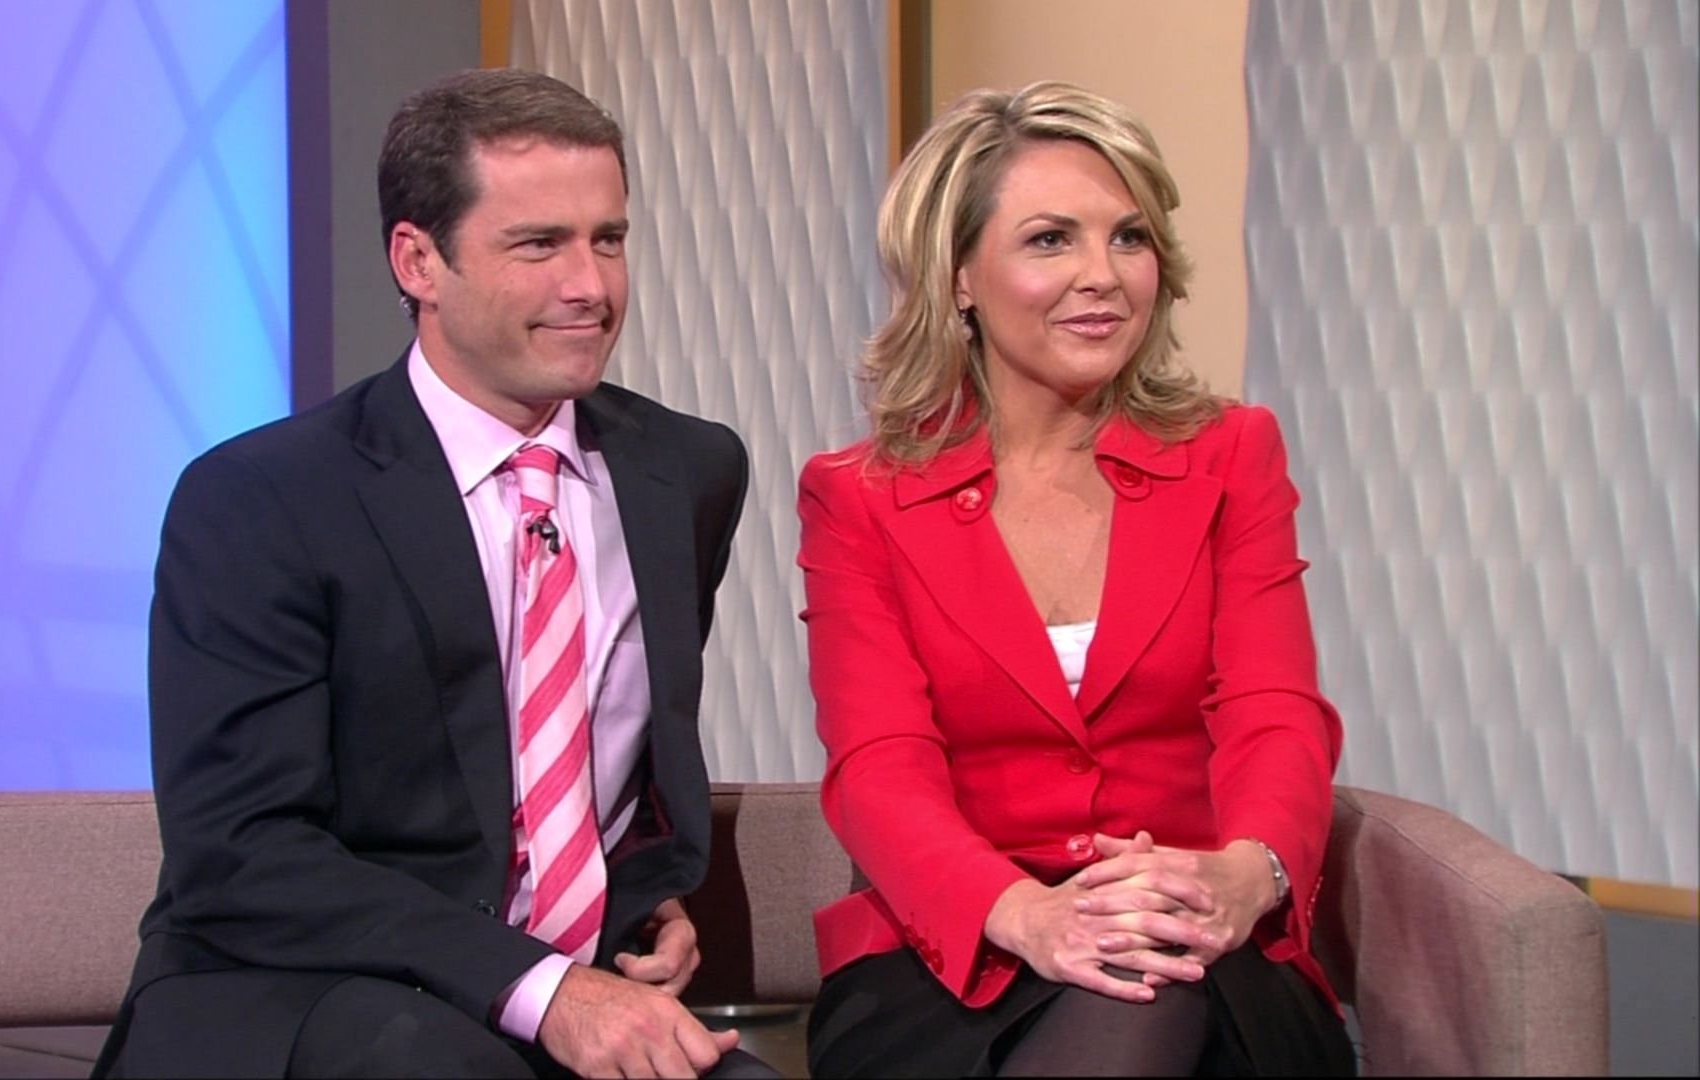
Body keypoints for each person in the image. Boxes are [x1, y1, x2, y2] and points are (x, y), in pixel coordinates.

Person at [93, 69, 770, 1079]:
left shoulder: (687, 471)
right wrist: (543, 988)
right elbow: (241, 852)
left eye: (608, 239)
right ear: (418, 261)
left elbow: (602, 759)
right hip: (306, 992)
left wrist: (636, 894)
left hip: (560, 1000)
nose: (590, 286)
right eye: (538, 245)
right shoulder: (263, 498)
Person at [795, 81, 1356, 1077]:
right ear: (958, 277)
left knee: (1147, 984)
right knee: (1133, 997)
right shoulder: (861, 497)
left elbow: (1273, 709)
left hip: (1197, 926)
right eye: (1051, 240)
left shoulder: (1231, 455)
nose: (1102, 276)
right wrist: (1027, 914)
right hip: (958, 946)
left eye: (1128, 238)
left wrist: (1247, 872)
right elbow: (880, 765)